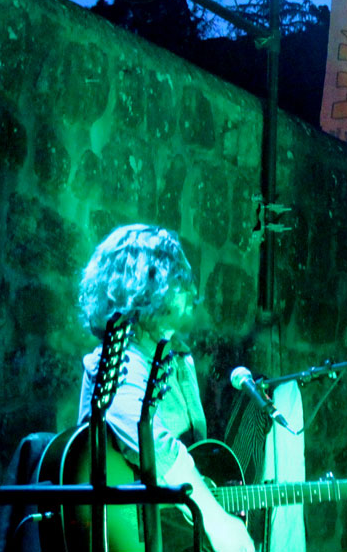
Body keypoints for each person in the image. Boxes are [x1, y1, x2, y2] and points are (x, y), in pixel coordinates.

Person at [77, 224, 255, 552]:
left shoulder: (178, 359)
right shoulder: (115, 360)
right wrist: (216, 520)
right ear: (149, 287)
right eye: (180, 281)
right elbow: (153, 442)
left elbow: (193, 454)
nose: (193, 291)